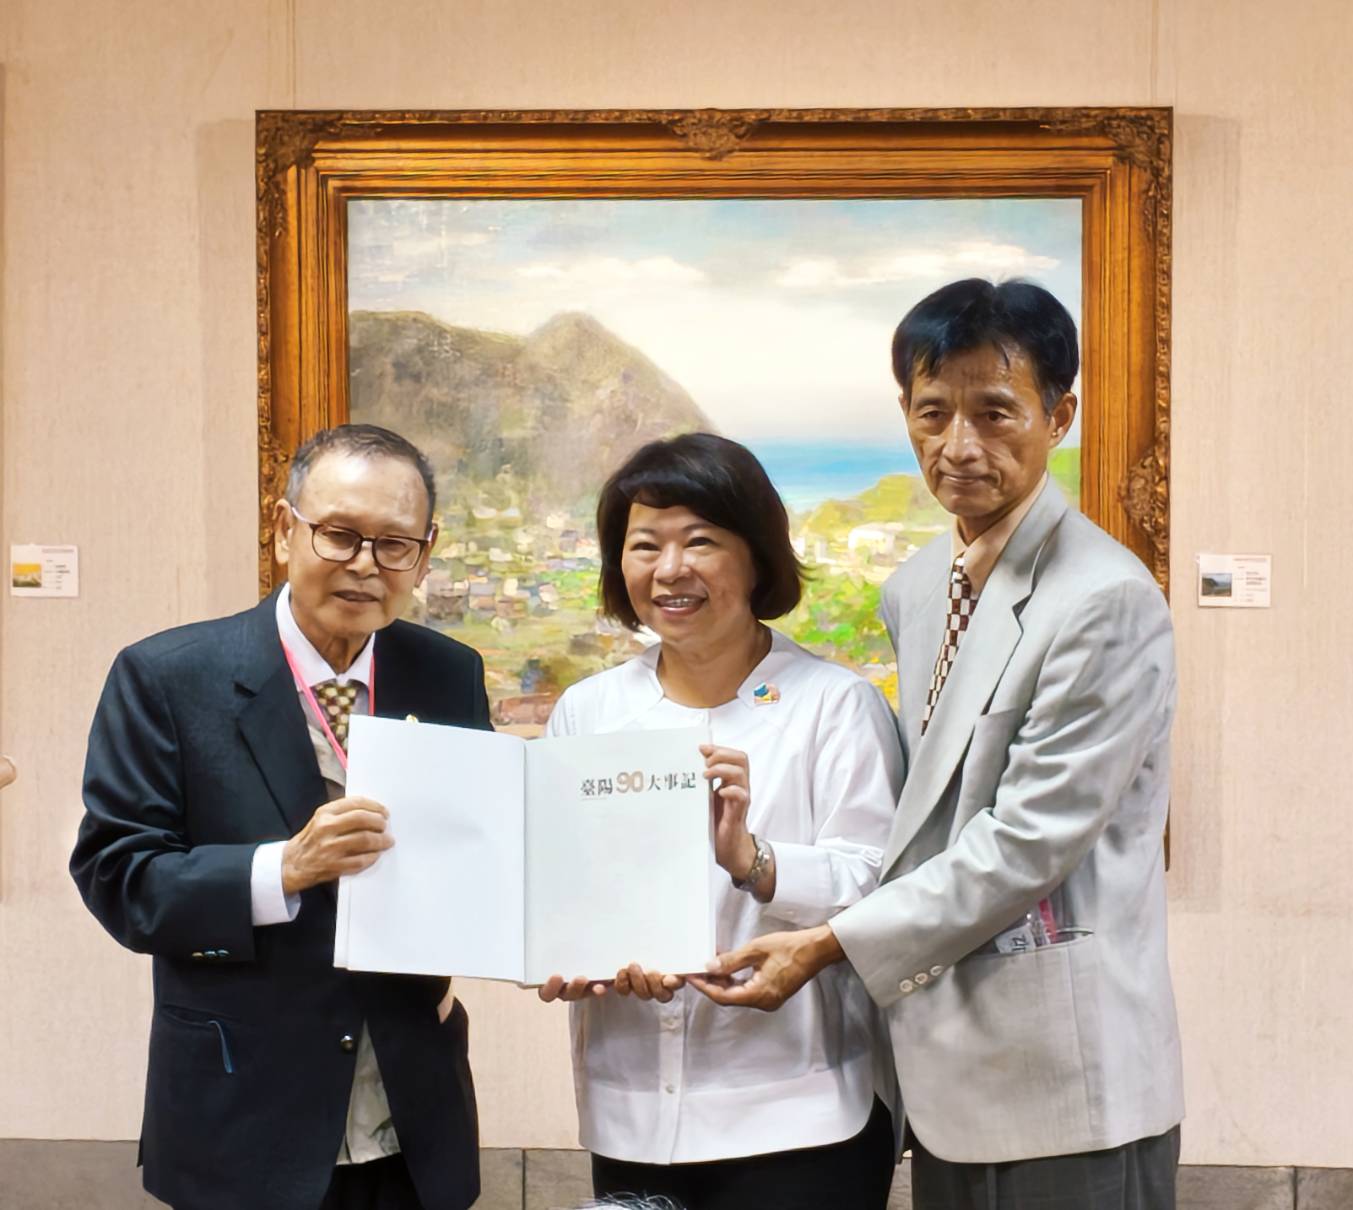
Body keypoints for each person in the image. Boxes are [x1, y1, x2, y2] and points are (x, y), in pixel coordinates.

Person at [694, 280, 1184, 1209]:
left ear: (1059, 416)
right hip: (937, 1068)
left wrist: (825, 944)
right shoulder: (918, 586)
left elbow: (1026, 843)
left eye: (995, 412)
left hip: (1063, 1070)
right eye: (932, 413)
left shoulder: (1105, 599)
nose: (958, 445)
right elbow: (923, 814)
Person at [71, 424, 489, 1210]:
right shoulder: (167, 676)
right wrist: (282, 868)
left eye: (394, 544)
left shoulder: (448, 673)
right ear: (282, 528)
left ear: (425, 553)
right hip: (243, 1114)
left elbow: (475, 855)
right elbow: (120, 879)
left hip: (409, 1113)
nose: (365, 564)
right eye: (339, 534)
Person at [537, 433, 904, 1210]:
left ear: (757, 557)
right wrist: (567, 953)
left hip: (798, 1116)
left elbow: (882, 886)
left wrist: (752, 859)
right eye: (645, 545)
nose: (670, 569)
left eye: (700, 541)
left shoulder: (834, 705)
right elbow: (561, 886)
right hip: (631, 1112)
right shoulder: (588, 712)